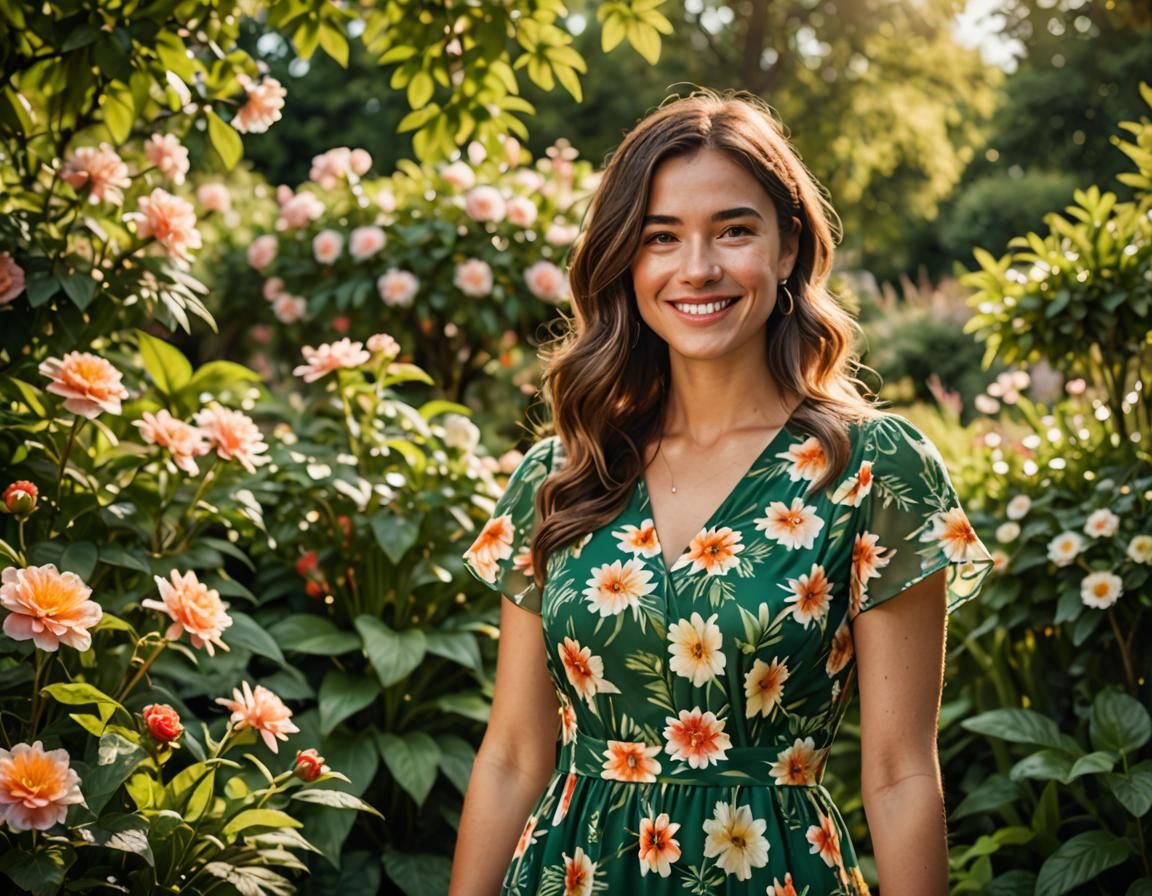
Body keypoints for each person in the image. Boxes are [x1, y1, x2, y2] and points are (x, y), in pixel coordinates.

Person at [449, 90, 994, 896]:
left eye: (734, 230)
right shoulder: (563, 471)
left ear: (787, 248)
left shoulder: (874, 468)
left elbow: (898, 771)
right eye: (660, 237)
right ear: (626, 262)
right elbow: (513, 756)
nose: (697, 268)